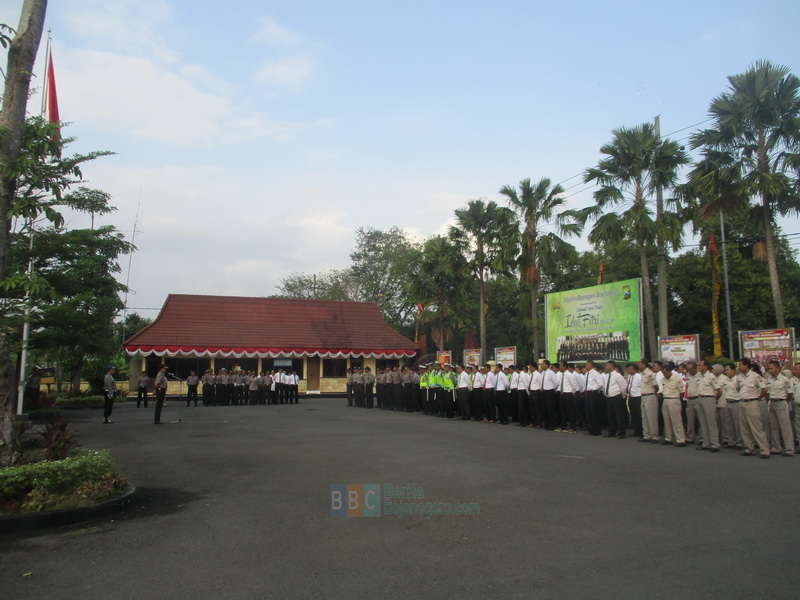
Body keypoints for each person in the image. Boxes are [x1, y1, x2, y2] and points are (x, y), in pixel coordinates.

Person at [738, 358, 770, 458]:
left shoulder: (755, 376)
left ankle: (764, 450)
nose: (739, 367)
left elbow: (764, 388)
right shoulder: (739, 377)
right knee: (744, 428)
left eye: (741, 365)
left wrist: (758, 397)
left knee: (757, 428)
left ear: (747, 366)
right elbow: (737, 388)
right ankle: (749, 448)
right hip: (742, 402)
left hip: (752, 403)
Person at [765, 360, 794, 456]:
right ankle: (776, 447)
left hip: (781, 402)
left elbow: (789, 393)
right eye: (768, 368)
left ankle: (789, 449)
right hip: (772, 402)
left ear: (777, 368)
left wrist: (785, 402)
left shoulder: (784, 379)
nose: (769, 370)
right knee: (773, 427)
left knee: (785, 427)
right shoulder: (769, 379)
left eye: (771, 368)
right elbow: (767, 392)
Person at [695, 360, 720, 452]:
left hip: (709, 398)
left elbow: (718, 390)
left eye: (700, 365)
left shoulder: (711, 376)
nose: (698, 366)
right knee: (703, 422)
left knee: (711, 422)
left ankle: (714, 444)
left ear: (705, 366)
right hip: (700, 398)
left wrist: (714, 399)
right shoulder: (699, 376)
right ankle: (706, 443)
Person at [660, 362, 687, 447]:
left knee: (676, 421)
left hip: (674, 399)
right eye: (663, 373)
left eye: (665, 372)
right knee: (666, 420)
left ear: (669, 371)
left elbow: (682, 391)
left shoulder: (677, 378)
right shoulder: (663, 379)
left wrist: (679, 401)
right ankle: (668, 438)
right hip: (665, 399)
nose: (664, 374)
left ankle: (680, 439)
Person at [718, 364, 741, 448]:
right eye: (726, 370)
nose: (726, 372)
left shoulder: (738, 379)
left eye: (728, 370)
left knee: (737, 424)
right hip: (727, 402)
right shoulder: (725, 380)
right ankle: (731, 441)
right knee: (728, 423)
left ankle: (739, 442)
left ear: (733, 370)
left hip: (736, 402)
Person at [603, 361, 627, 438]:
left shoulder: (617, 375)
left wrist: (622, 396)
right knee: (610, 415)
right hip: (608, 397)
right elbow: (605, 386)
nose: (606, 367)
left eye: (607, 365)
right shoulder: (606, 375)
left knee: (619, 415)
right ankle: (612, 431)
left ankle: (621, 432)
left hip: (617, 396)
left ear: (611, 366)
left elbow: (623, 386)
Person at [638, 360, 659, 442]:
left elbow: (655, 386)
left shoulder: (650, 373)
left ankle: (654, 436)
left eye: (640, 364)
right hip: (643, 396)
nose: (638, 365)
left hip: (650, 395)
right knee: (644, 417)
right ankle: (646, 435)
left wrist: (654, 393)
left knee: (651, 417)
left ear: (644, 364)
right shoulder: (642, 374)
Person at [584, 361, 605, 436]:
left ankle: (596, 430)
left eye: (587, 364)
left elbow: (601, 384)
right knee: (588, 412)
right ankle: (590, 429)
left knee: (594, 412)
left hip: (593, 394)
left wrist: (593, 389)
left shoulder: (595, 373)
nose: (585, 365)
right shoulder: (587, 374)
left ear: (591, 365)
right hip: (587, 393)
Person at [684, 362, 701, 445]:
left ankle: (702, 438)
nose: (689, 371)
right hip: (689, 399)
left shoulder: (700, 375)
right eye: (688, 369)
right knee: (690, 420)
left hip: (698, 399)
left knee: (701, 419)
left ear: (695, 368)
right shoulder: (687, 375)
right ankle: (690, 437)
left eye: (690, 369)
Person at [541, 361, 559, 430]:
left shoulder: (551, 372)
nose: (541, 365)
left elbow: (556, 383)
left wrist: (551, 389)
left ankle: (552, 425)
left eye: (542, 364)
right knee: (544, 409)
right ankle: (546, 424)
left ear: (546, 365)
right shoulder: (542, 373)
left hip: (549, 392)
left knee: (550, 409)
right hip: (543, 392)